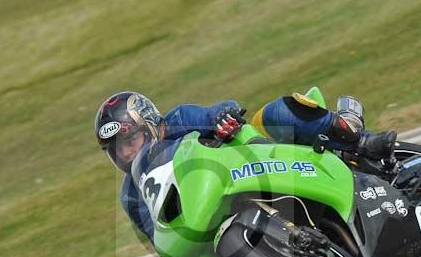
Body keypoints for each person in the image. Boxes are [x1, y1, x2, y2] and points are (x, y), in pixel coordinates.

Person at [94, 90, 397, 242]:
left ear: (147, 123)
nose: (127, 152)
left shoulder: (177, 120)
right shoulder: (131, 194)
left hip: (253, 161)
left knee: (276, 114)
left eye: (130, 140)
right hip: (214, 225)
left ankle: (357, 138)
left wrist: (222, 119)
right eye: (118, 149)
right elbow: (156, 233)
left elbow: (216, 110)